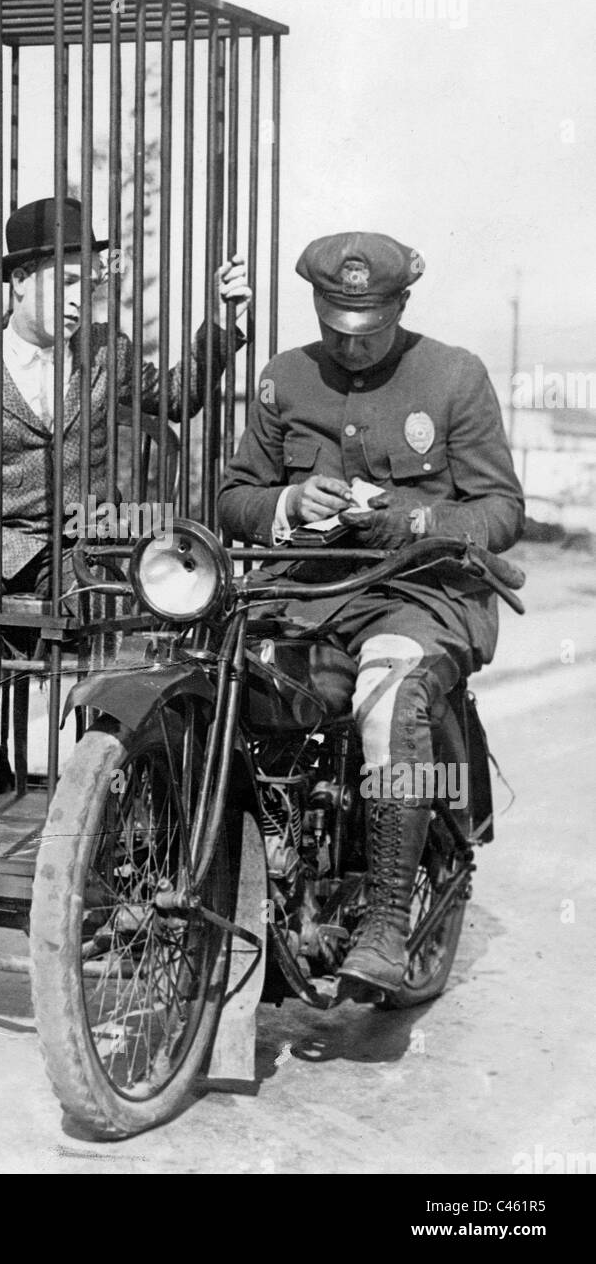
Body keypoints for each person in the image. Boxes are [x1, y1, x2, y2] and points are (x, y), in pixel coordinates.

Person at [0, 196, 251, 823]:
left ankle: (121, 783)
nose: (78, 301)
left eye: (87, 285)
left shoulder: (105, 353)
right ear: (19, 282)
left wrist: (225, 325)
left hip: (77, 547)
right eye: (65, 284)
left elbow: (178, 396)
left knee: (125, 617)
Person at [218, 231, 524, 994]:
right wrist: (288, 502)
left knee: (387, 699)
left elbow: (501, 510)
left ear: (401, 305)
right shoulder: (285, 377)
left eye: (369, 330)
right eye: (335, 328)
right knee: (227, 678)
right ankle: (254, 869)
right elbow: (234, 496)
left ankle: (386, 921)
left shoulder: (453, 376)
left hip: (423, 595)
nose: (351, 348)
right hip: (312, 597)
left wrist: (411, 521)